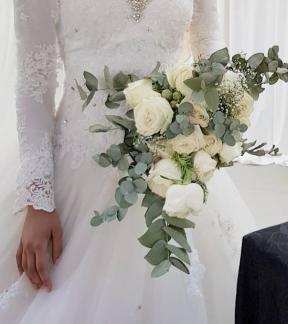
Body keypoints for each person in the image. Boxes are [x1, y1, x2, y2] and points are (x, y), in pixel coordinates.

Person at [0, 0, 257, 323]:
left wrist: (223, 105)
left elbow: (208, 43)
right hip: (78, 177)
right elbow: (33, 86)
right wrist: (38, 200)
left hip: (173, 165)